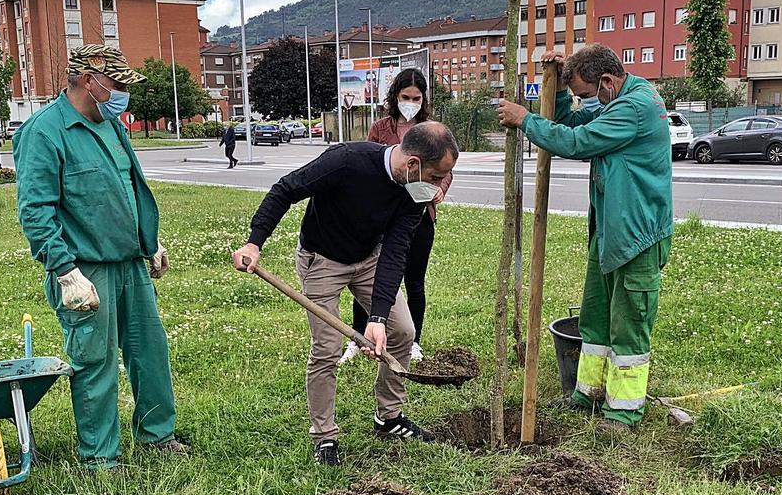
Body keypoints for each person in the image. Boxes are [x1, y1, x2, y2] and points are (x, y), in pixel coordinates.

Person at [232, 122, 459, 466]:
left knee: (402, 331)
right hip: (322, 260)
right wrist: (254, 241)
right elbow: (285, 189)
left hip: (369, 258)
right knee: (327, 348)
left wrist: (378, 317)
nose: (438, 186)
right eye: (436, 176)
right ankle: (324, 436)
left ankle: (389, 417)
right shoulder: (347, 161)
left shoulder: (413, 193)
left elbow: (396, 251)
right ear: (412, 164)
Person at [15, 44, 189, 470]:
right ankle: (100, 457)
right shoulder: (45, 132)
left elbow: (127, 190)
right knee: (95, 361)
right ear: (89, 81)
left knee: (150, 353)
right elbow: (35, 210)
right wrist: (64, 271)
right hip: (85, 269)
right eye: (116, 85)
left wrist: (151, 242)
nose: (122, 94)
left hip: (130, 264)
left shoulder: (113, 127)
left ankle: (157, 435)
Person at [496, 44, 672, 433]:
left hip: (638, 234)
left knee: (628, 323)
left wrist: (525, 120)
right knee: (596, 317)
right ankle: (588, 392)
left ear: (606, 82)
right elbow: (570, 122)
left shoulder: (635, 107)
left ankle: (624, 410)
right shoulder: (614, 98)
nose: (583, 101)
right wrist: (558, 87)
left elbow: (577, 143)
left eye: (585, 93)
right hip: (610, 231)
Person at [342, 68, 451, 364]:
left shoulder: (432, 130)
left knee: (415, 281)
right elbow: (371, 163)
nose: (411, 102)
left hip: (419, 215)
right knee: (367, 279)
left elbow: (446, 169)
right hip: (384, 215)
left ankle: (413, 340)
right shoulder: (381, 127)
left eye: (416, 98)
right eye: (406, 97)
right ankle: (357, 337)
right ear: (395, 96)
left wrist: (440, 188)